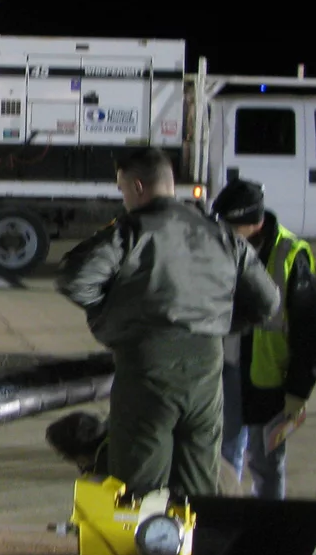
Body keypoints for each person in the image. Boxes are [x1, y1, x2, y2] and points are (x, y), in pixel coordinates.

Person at [55, 147, 280, 498]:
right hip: (207, 369)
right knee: (199, 485)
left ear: (138, 187)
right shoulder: (221, 234)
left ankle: (145, 535)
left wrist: (113, 317)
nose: (124, 198)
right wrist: (219, 322)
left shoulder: (132, 230)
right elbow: (268, 302)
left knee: (140, 485)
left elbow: (74, 278)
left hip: (149, 365)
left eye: (123, 189)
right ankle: (196, 533)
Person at [210, 180, 316, 499]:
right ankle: (224, 519)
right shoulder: (220, 247)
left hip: (270, 383)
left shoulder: (290, 254)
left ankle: (269, 523)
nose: (223, 233)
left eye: (231, 227)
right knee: (222, 463)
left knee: (266, 466)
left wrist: (299, 391)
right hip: (225, 373)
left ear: (255, 223)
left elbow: (311, 331)